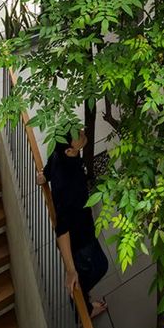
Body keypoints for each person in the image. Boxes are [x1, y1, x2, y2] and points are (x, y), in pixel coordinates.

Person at [37, 129, 109, 318]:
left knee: (94, 265)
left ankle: (80, 294)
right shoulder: (70, 184)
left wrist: (44, 176)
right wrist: (70, 270)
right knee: (99, 266)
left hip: (81, 227)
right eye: (78, 135)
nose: (83, 132)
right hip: (81, 236)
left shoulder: (59, 154)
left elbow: (50, 166)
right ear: (69, 149)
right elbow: (62, 228)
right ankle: (81, 306)